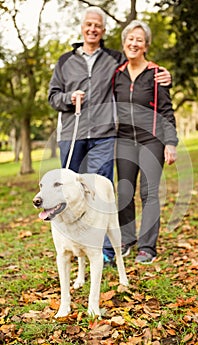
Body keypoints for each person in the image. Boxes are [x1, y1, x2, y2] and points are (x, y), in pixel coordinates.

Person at [48, 7, 172, 265]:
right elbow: (52, 96)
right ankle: (72, 245)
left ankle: (108, 249)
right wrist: (68, 98)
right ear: (82, 27)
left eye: (98, 26)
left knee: (102, 192)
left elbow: (143, 69)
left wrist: (167, 75)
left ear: (103, 32)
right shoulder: (65, 61)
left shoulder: (114, 59)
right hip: (75, 135)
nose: (93, 29)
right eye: (89, 24)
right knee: (69, 192)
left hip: (107, 135)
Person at [112, 20, 178, 264]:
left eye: (139, 40)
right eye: (130, 38)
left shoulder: (156, 74)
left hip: (152, 140)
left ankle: (147, 247)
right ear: (124, 42)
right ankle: (127, 240)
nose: (134, 43)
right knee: (124, 192)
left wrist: (170, 143)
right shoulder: (116, 75)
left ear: (146, 45)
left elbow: (166, 110)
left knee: (148, 193)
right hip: (125, 140)